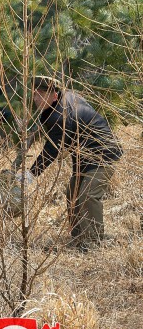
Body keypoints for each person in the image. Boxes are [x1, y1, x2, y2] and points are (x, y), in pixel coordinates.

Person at [22, 76, 123, 251]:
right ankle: (79, 236)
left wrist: (31, 174)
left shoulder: (61, 115)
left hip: (103, 153)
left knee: (88, 195)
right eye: (35, 94)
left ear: (54, 95)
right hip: (84, 157)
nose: (36, 99)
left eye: (41, 95)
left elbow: (51, 151)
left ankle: (93, 242)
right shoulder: (63, 98)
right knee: (73, 192)